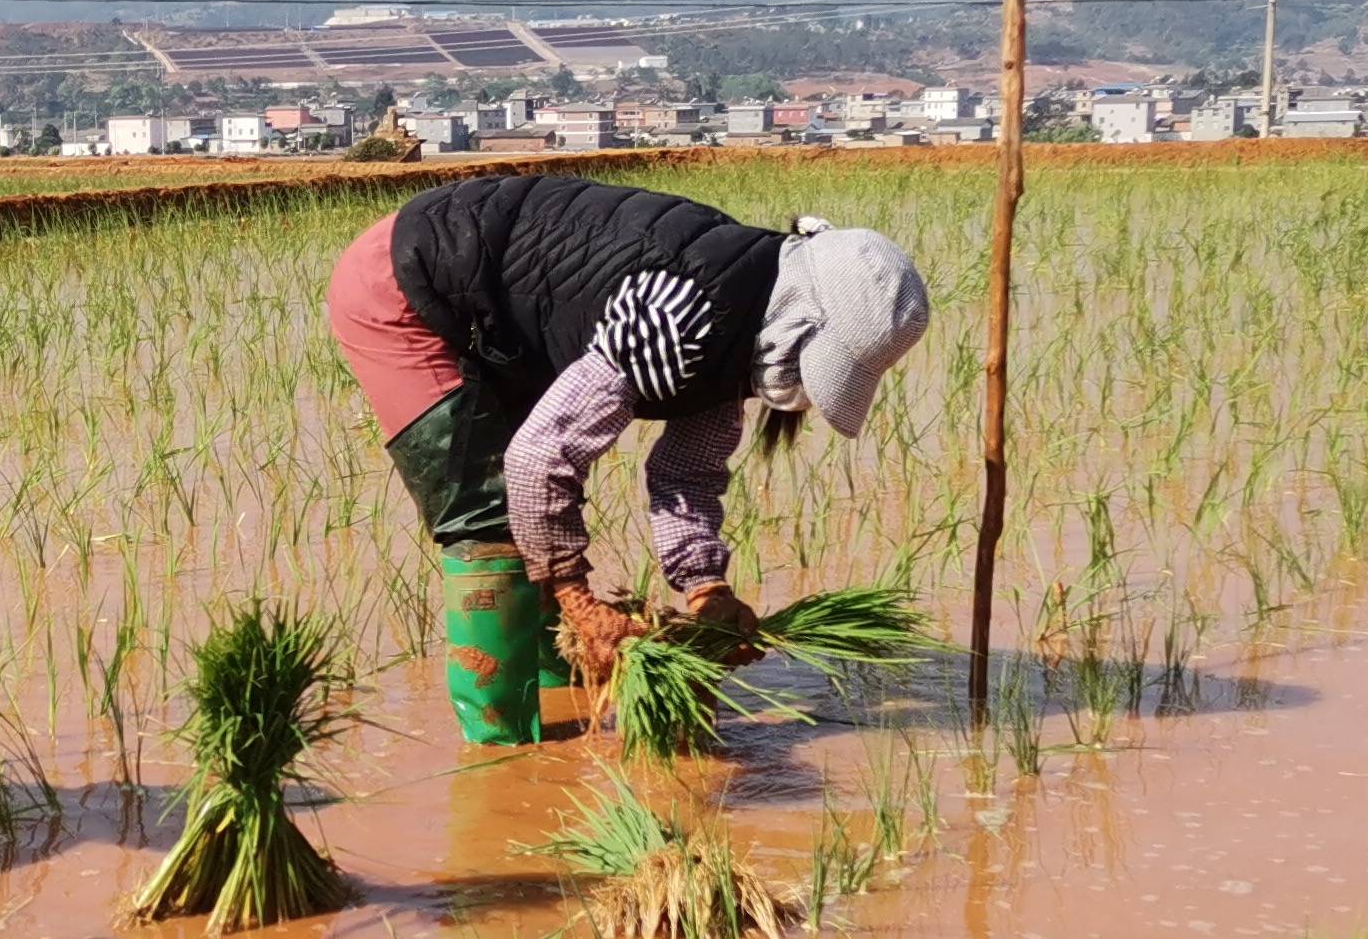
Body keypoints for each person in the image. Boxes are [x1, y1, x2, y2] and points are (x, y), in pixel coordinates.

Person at [327, 173, 931, 745]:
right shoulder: (685, 314)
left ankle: (563, 699)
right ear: (801, 326)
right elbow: (541, 457)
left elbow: (686, 474)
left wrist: (706, 588)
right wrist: (578, 600)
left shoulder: (740, 322)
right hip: (404, 288)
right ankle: (497, 747)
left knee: (529, 532)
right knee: (490, 521)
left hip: (498, 314)